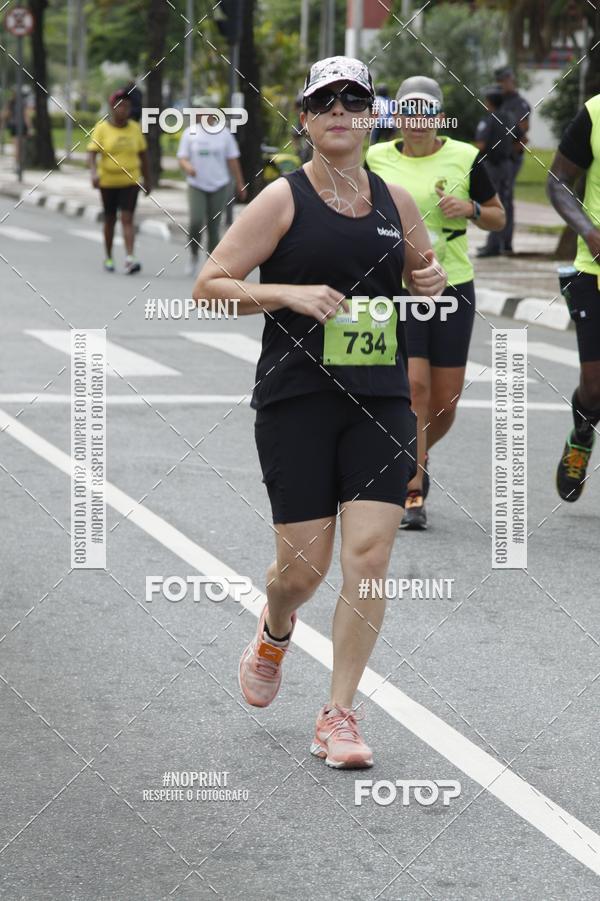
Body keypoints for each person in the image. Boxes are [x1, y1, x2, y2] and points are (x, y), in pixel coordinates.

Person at [193, 56, 446, 768]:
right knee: (302, 570)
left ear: (371, 116)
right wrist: (289, 294)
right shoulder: (282, 199)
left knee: (368, 557)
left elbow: (426, 277)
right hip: (297, 399)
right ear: (305, 118)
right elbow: (208, 285)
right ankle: (276, 628)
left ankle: (338, 712)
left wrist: (426, 277)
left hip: (381, 399)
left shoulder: (397, 201)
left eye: (354, 99)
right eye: (325, 100)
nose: (340, 109)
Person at [366, 76, 505, 529]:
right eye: (408, 112)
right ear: (397, 117)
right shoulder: (377, 157)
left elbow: (498, 216)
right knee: (416, 388)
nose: (417, 122)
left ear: (438, 115)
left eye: (426, 112)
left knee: (445, 400)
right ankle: (413, 490)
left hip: (451, 286)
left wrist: (471, 211)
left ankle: (413, 453)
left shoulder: (465, 157)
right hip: (396, 287)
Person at [547, 95, 600, 502]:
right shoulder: (595, 112)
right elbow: (559, 179)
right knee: (595, 386)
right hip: (594, 271)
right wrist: (587, 229)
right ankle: (582, 433)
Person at [177, 102, 247, 276]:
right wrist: (188, 168)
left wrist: (240, 183)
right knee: (195, 221)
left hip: (219, 185)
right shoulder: (190, 133)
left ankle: (210, 266)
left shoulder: (224, 135)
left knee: (214, 227)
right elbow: (182, 158)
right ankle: (193, 254)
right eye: (200, 110)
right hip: (197, 185)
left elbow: (233, 161)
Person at [87, 88, 150, 273]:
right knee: (110, 219)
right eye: (120, 106)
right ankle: (108, 257)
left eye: (127, 106)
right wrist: (93, 173)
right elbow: (91, 154)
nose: (124, 109)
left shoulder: (135, 129)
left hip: (130, 180)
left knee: (127, 218)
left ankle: (130, 258)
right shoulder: (101, 129)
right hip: (108, 182)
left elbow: (143, 155)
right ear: (112, 108)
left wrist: (148, 180)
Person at [478, 65, 530, 256]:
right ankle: (500, 243)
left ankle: (502, 242)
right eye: (499, 81)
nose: (502, 84)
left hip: (505, 161)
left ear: (511, 80)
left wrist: (508, 153)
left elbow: (523, 134)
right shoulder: (502, 104)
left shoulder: (519, 104)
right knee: (504, 200)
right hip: (500, 161)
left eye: (504, 81)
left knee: (502, 201)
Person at [474, 85, 515, 257]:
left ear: (489, 102)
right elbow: (522, 139)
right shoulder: (510, 118)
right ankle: (506, 242)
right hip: (507, 164)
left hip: (492, 165)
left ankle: (492, 245)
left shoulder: (489, 120)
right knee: (507, 203)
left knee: (493, 205)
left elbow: (480, 144)